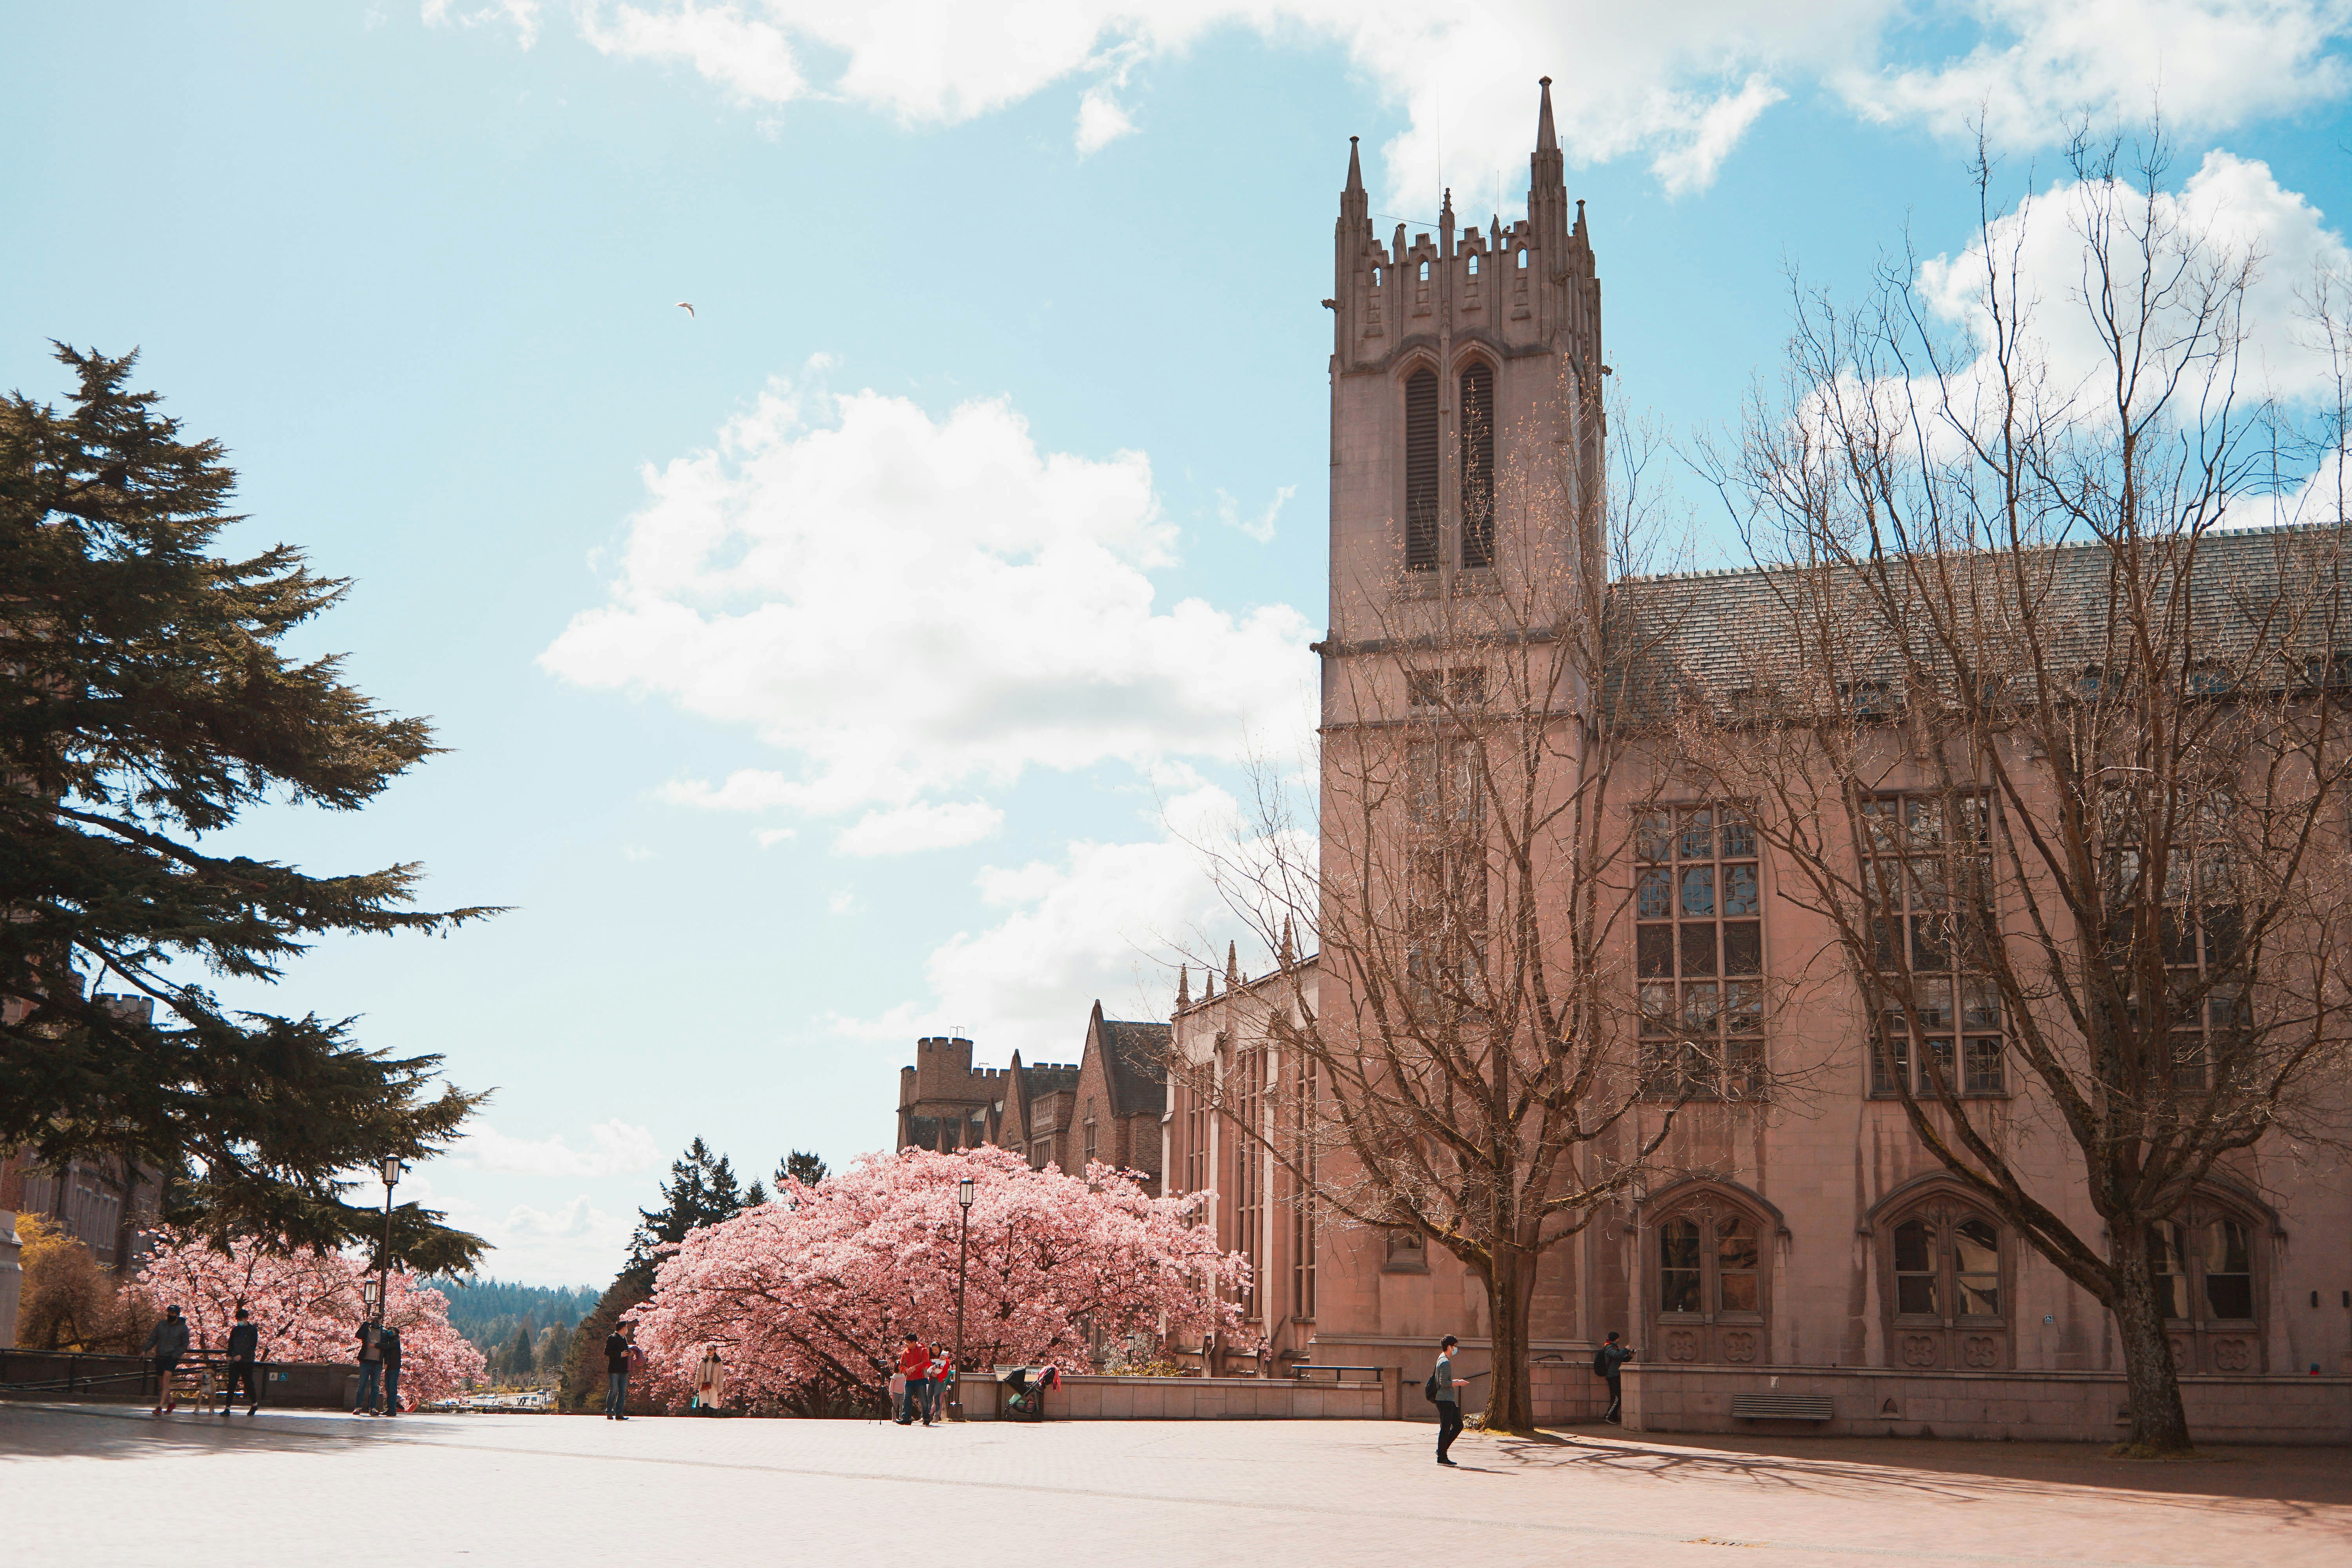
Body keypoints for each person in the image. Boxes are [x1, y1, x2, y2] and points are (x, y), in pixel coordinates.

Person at [145, 1305, 190, 1416]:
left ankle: (160, 1407)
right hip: (160, 1356)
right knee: (161, 1383)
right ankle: (171, 1402)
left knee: (166, 1381)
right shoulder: (161, 1325)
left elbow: (185, 1344)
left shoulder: (183, 1329)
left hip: (172, 1358)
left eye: (173, 1313)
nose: (170, 1315)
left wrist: (176, 1355)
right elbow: (153, 1338)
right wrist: (145, 1350)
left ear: (178, 1315)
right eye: (169, 1313)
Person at [1432, 1334, 1468, 1466]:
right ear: (1449, 1347)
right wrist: (1458, 1383)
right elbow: (1444, 1383)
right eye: (1455, 1347)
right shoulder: (1445, 1362)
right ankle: (1442, 1457)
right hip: (1445, 1399)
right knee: (1446, 1427)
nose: (1455, 1349)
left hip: (1447, 1399)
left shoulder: (1442, 1359)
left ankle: (1441, 1451)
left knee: (1458, 1425)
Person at [223, 1305, 261, 1417]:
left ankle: (254, 1404)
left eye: (241, 1319)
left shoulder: (252, 1330)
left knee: (248, 1383)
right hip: (235, 1361)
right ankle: (227, 1408)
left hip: (247, 1361)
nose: (239, 1321)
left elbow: (252, 1346)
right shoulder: (235, 1330)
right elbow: (231, 1344)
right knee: (232, 1383)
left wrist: (242, 1356)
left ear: (246, 1318)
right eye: (238, 1319)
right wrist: (229, 1355)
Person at [1595, 1330, 1636, 1424]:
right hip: (1612, 1375)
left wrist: (1630, 1356)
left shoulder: (1613, 1347)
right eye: (1619, 1338)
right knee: (1617, 1397)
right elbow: (1617, 1356)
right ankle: (1608, 1416)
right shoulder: (1610, 1347)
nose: (1620, 1340)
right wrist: (1626, 1349)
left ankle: (1613, 1417)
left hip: (1615, 1374)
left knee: (1617, 1397)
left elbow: (1620, 1359)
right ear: (1616, 1338)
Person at [895, 1333, 931, 1426]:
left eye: (909, 1343)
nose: (907, 1345)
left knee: (923, 1399)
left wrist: (915, 1368)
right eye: (906, 1343)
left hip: (920, 1378)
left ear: (914, 1342)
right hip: (909, 1378)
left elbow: (925, 1362)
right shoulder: (905, 1352)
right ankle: (906, 1418)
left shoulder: (923, 1350)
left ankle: (926, 1417)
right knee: (907, 1398)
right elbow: (902, 1365)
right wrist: (906, 1370)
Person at [353, 1320, 384, 1415]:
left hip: (378, 1362)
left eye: (378, 1319)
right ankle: (358, 1407)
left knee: (375, 1387)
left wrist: (376, 1345)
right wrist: (366, 1323)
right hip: (365, 1361)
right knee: (362, 1385)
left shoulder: (384, 1332)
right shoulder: (367, 1330)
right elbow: (358, 1335)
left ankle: (373, 1408)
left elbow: (387, 1346)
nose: (376, 1322)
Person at [604, 1323, 635, 1419]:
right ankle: (609, 1412)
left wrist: (630, 1353)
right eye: (626, 1327)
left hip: (624, 1369)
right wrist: (621, 1354)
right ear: (623, 1328)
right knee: (614, 1390)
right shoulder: (612, 1338)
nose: (627, 1330)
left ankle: (619, 1413)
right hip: (614, 1369)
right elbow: (607, 1352)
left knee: (622, 1392)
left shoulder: (624, 1339)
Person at [379, 1322, 403, 1417]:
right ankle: (390, 1409)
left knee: (392, 1388)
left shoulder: (395, 1341)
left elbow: (388, 1347)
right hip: (390, 1367)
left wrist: (375, 1345)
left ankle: (392, 1409)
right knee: (389, 1388)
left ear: (396, 1333)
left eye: (392, 1331)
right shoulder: (391, 1340)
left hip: (394, 1367)